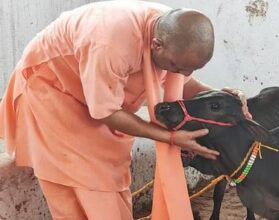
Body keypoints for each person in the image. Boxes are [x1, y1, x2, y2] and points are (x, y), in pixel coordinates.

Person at [0, 1, 249, 219]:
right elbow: (106, 112)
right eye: (177, 67)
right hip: (54, 94)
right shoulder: (110, 44)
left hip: (95, 96)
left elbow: (184, 82)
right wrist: (170, 137)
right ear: (156, 45)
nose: (182, 75)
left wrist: (224, 98)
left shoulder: (172, 35)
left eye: (191, 69)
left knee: (109, 181)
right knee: (77, 183)